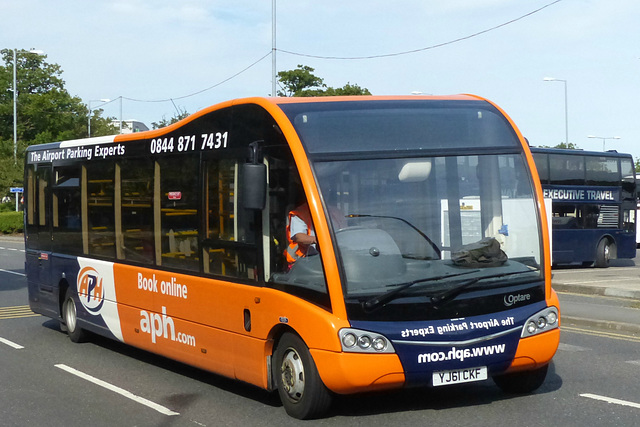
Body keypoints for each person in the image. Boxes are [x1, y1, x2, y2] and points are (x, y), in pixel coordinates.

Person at [285, 202, 318, 267]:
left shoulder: (334, 212)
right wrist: (320, 239)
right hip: (306, 260)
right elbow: (298, 236)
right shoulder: (300, 213)